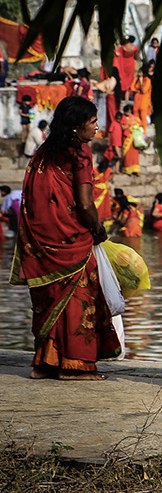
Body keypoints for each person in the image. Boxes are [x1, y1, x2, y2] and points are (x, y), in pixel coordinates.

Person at [10, 96, 119, 379]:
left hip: (42, 241)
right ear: (75, 126)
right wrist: (99, 230)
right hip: (72, 239)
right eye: (92, 122)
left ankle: (45, 363)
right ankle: (74, 365)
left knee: (50, 299)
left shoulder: (43, 152)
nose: (97, 127)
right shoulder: (80, 152)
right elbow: (85, 203)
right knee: (78, 298)